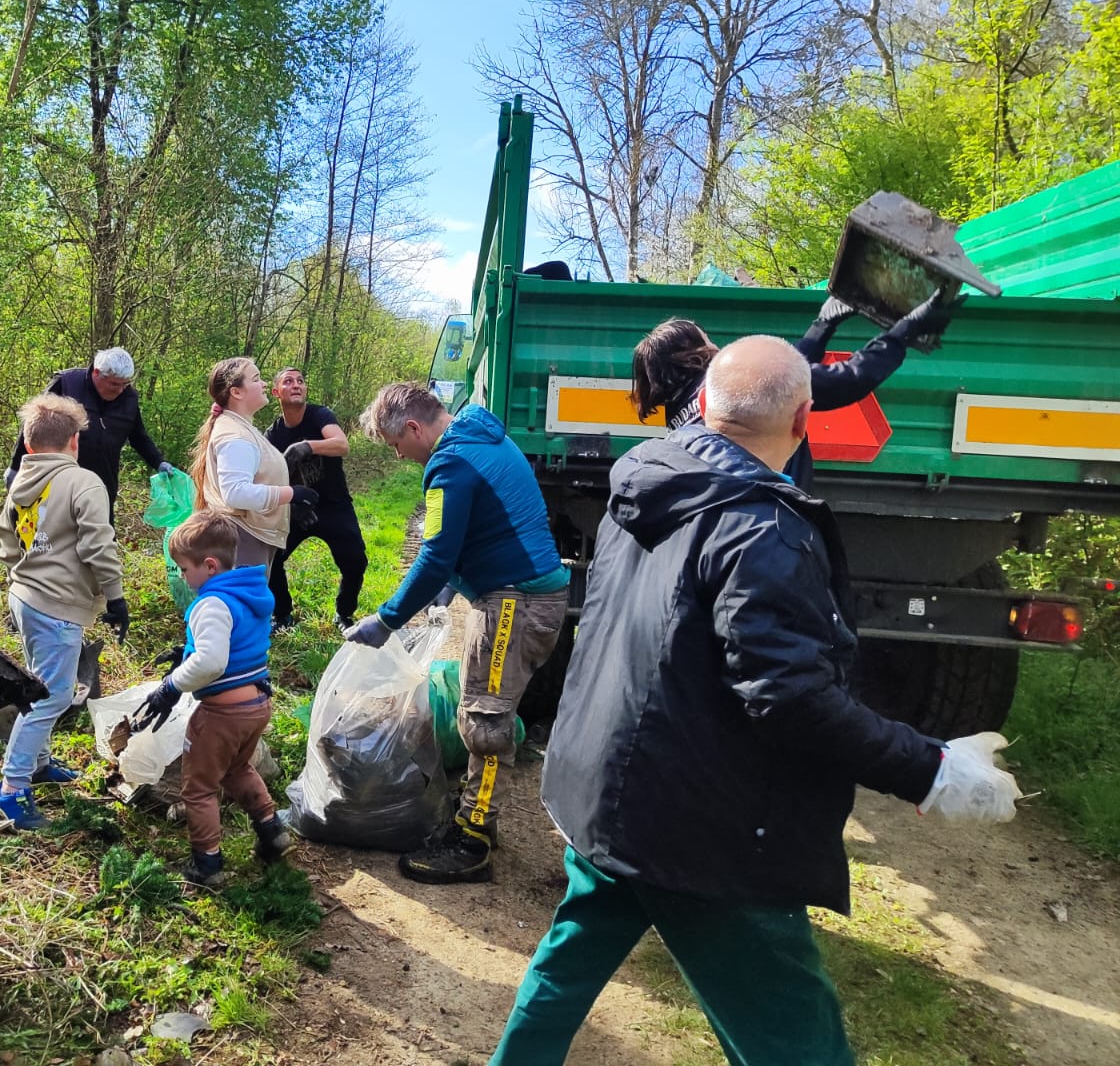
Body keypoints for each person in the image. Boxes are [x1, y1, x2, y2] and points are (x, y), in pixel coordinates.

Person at [489, 336, 1022, 1066]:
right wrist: (930, 769)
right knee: (794, 1040)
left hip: (604, 792)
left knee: (566, 966)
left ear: (703, 402)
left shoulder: (642, 480)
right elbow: (791, 698)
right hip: (702, 831)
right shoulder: (763, 529)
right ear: (805, 420)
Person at [346, 384, 568, 885]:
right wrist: (454, 581)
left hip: (514, 603)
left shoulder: (450, 464)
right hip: (523, 594)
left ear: (413, 428)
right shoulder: (478, 437)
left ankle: (473, 840)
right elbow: (483, 524)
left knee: (485, 720)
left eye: (395, 444)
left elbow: (435, 553)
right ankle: (477, 813)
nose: (398, 455)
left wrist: (387, 619)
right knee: (484, 710)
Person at [629, 290, 958, 488]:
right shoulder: (725, 384)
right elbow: (848, 380)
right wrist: (902, 333)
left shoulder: (680, 415)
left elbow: (781, 379)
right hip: (765, 521)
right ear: (693, 352)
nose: (713, 342)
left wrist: (822, 326)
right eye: (705, 337)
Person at [0, 394, 129, 831]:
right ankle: (10, 788)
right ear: (74, 442)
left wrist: (23, 579)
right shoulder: (83, 482)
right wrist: (116, 596)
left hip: (25, 597)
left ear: (29, 445)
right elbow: (98, 544)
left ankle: (40, 763)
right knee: (52, 696)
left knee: (39, 682)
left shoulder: (20, 484)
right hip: (57, 605)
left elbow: (7, 542)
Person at [132, 512, 292, 885]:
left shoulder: (211, 603)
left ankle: (207, 865)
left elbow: (211, 662)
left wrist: (171, 686)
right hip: (256, 704)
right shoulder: (248, 593)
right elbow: (233, 644)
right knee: (237, 769)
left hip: (222, 713)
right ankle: (272, 832)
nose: (182, 577)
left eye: (184, 569)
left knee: (199, 788)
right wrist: (186, 653)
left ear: (209, 565)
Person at [5, 347, 172, 518]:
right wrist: (15, 467)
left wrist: (159, 462)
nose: (120, 390)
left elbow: (138, 437)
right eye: (115, 384)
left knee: (99, 531)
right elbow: (34, 425)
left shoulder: (129, 399)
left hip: (101, 487)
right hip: (56, 484)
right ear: (97, 373)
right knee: (50, 530)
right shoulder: (68, 384)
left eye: (125, 384)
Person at [188, 357, 316, 572]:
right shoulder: (235, 435)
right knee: (242, 596)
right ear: (236, 392)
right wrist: (291, 494)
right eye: (256, 379)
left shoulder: (240, 428)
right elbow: (236, 493)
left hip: (246, 537)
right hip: (243, 541)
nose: (264, 384)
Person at [265, 367, 367, 632]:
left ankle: (344, 614)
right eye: (288, 381)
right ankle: (282, 615)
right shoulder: (273, 435)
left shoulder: (320, 415)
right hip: (297, 508)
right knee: (271, 557)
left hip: (334, 504)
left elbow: (342, 444)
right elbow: (267, 478)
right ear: (276, 392)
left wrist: (307, 446)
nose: (296, 385)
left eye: (300, 381)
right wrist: (291, 505)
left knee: (355, 561)